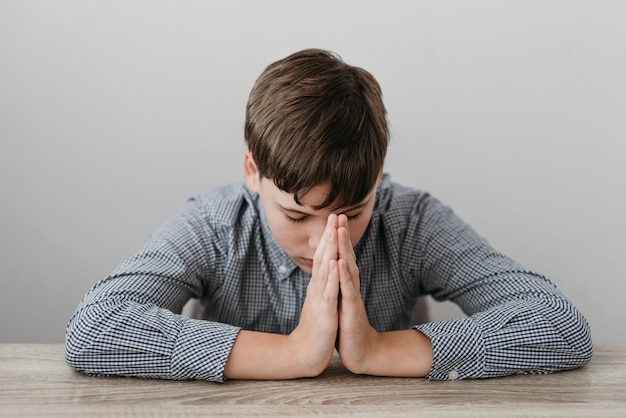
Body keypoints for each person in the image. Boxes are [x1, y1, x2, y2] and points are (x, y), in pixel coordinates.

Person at [65, 48, 593, 382]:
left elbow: (559, 324)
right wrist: (293, 355)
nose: (323, 243)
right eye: (296, 217)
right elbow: (95, 327)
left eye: (352, 212)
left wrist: (379, 351)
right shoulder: (215, 225)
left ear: (378, 174)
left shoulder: (409, 221)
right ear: (253, 171)